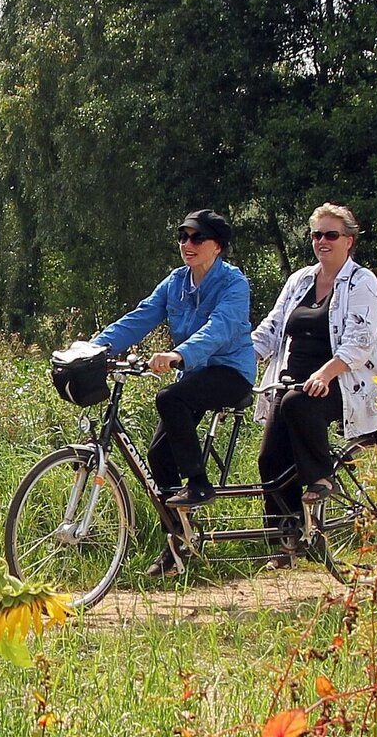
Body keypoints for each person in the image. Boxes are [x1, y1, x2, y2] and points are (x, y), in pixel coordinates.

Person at [89, 209, 255, 577]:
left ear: (218, 247)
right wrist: (93, 348)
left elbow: (221, 327)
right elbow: (139, 318)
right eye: (183, 236)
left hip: (229, 372)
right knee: (158, 455)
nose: (187, 244)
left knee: (169, 398)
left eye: (197, 238)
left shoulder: (233, 284)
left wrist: (180, 354)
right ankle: (178, 543)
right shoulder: (176, 282)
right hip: (195, 372)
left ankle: (198, 484)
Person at [250, 203, 377, 570]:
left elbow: (362, 339)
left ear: (349, 241)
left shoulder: (362, 281)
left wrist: (326, 373)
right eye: (316, 235)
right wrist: (242, 357)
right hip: (293, 379)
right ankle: (287, 541)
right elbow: (273, 327)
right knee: (270, 461)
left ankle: (321, 476)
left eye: (331, 235)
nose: (322, 241)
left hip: (345, 379)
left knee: (298, 403)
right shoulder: (299, 280)